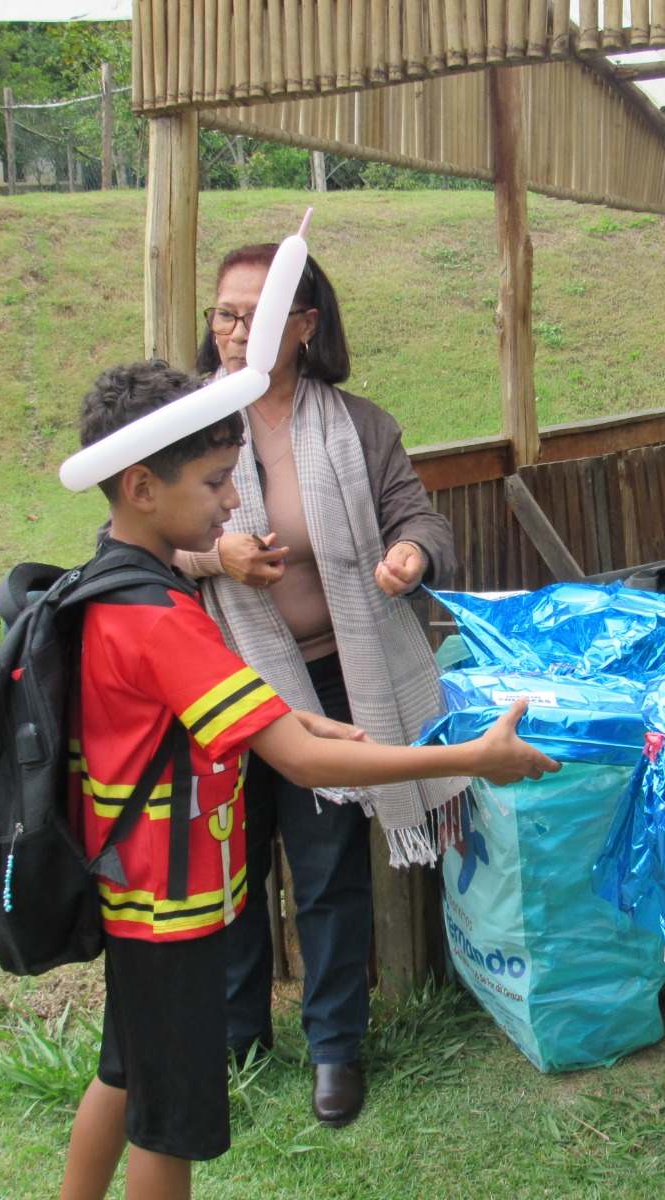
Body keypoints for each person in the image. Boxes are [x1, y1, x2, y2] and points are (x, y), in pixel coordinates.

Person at [58, 361, 557, 1200]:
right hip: (170, 918)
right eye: (217, 482)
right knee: (169, 1120)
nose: (230, 502)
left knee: (125, 1071)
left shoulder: (116, 585)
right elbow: (305, 765)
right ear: (142, 487)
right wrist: (471, 758)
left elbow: (216, 715)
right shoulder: (159, 619)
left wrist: (302, 719)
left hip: (132, 901)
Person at [179, 245, 457, 1127]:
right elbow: (133, 544)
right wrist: (211, 556)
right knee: (227, 864)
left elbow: (419, 515)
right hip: (219, 682)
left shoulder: (361, 427)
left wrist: (411, 553)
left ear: (304, 326)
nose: (235, 330)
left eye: (256, 315)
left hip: (337, 680)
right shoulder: (180, 424)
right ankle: (235, 1038)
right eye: (225, 312)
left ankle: (336, 1047)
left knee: (327, 869)